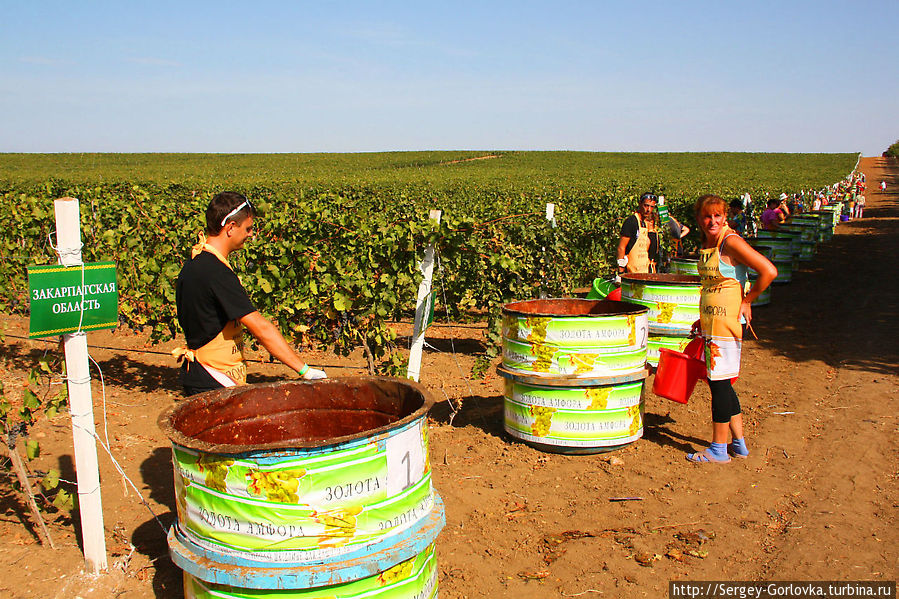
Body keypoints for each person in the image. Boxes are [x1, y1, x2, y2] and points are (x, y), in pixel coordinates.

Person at [173, 191, 326, 396]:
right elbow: (261, 328)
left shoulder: (195, 262)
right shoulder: (216, 273)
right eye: (248, 228)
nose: (250, 234)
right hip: (214, 380)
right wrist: (305, 370)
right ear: (230, 228)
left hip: (200, 376)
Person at [687, 195, 777, 464]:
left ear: (725, 217)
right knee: (723, 383)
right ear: (699, 219)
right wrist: (701, 319)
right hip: (712, 322)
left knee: (719, 385)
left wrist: (748, 301)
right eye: (707, 216)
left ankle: (718, 448)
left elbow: (768, 271)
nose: (712, 221)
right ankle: (739, 443)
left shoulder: (731, 242)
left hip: (725, 323)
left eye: (717, 216)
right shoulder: (709, 243)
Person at [616, 193, 661, 274]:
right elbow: (621, 247)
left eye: (651, 207)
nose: (648, 210)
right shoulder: (631, 222)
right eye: (646, 205)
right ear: (640, 204)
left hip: (644, 270)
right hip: (631, 271)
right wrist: (621, 271)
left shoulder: (645, 223)